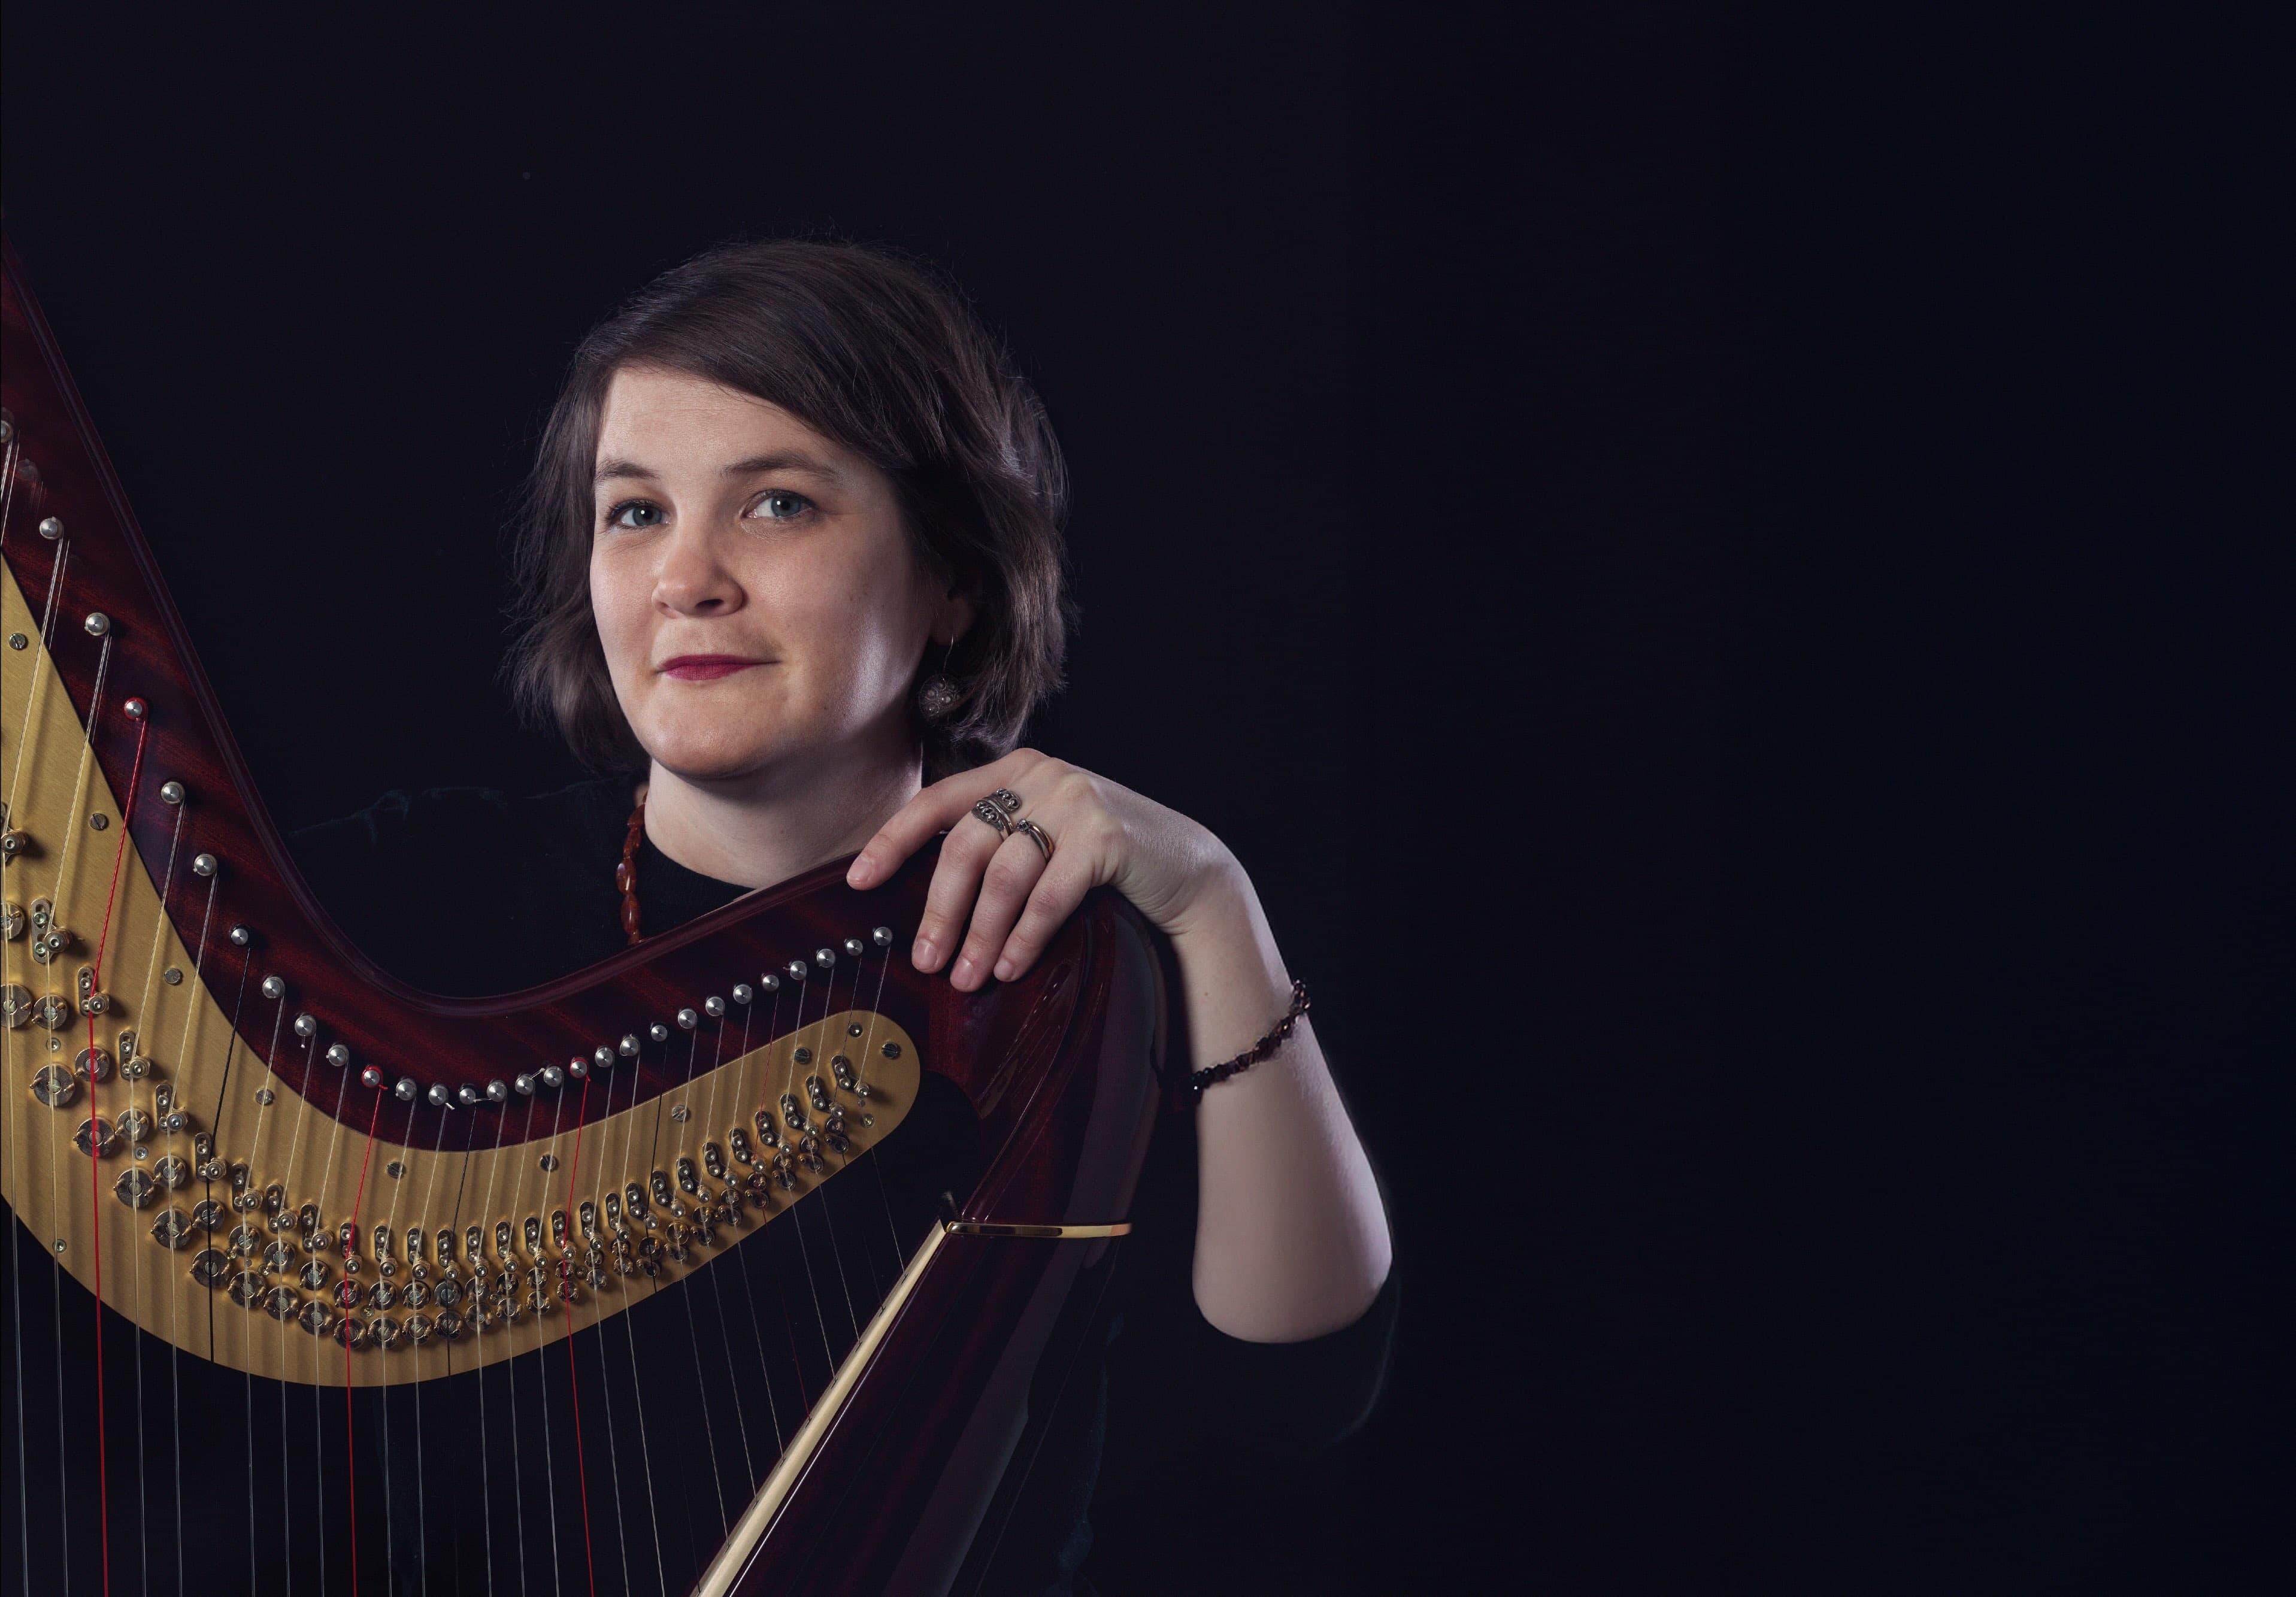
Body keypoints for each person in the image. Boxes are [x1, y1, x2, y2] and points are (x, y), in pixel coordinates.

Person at [293, 238, 1396, 1593]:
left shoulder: (1081, 956)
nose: (686, 579)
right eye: (634, 512)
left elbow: (1293, 1398)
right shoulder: (413, 894)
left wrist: (1215, 897)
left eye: (777, 506)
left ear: (954, 579)